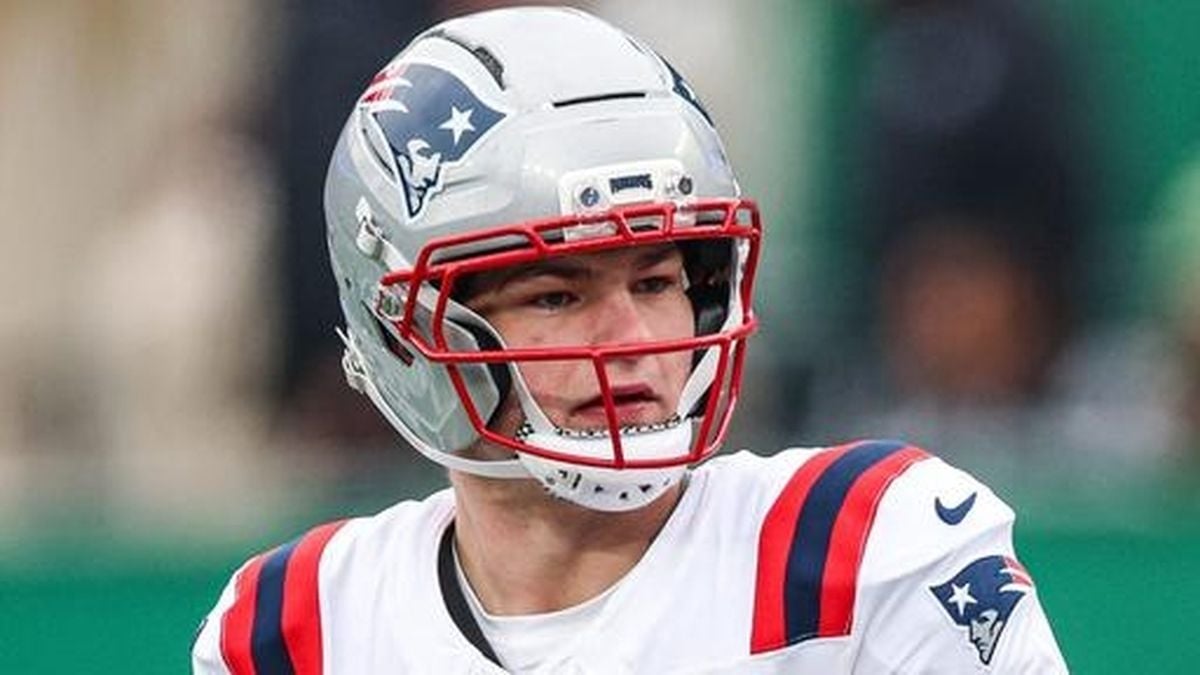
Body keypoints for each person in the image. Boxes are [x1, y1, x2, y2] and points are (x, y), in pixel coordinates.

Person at [192, 7, 1067, 673]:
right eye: (556, 295)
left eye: (655, 282)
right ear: (407, 333)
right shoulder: (298, 629)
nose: (634, 337)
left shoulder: (861, 551)